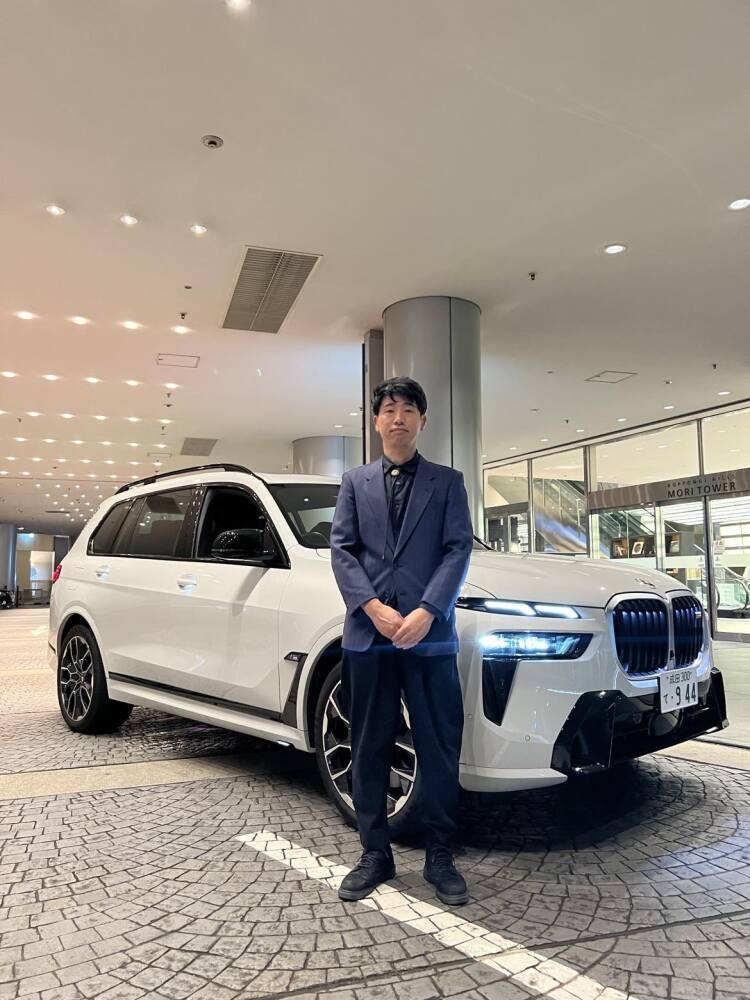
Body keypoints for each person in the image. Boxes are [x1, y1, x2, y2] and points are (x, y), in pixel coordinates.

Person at [330, 375, 474, 905]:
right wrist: (372, 607)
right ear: (376, 422)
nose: (398, 418)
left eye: (408, 409)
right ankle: (375, 853)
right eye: (389, 409)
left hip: (429, 637)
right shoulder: (354, 482)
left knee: (439, 745)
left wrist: (428, 611)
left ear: (422, 420)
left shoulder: (448, 482)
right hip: (368, 636)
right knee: (368, 744)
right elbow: (342, 550)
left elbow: (458, 549)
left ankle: (440, 854)